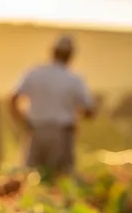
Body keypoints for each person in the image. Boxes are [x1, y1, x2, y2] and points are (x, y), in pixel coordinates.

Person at [9, 35, 96, 174]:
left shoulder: (35, 73)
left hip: (35, 131)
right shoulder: (74, 79)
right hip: (61, 135)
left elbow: (12, 99)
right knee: (60, 179)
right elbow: (89, 111)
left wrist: (22, 121)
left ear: (52, 52)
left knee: (30, 178)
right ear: (70, 56)